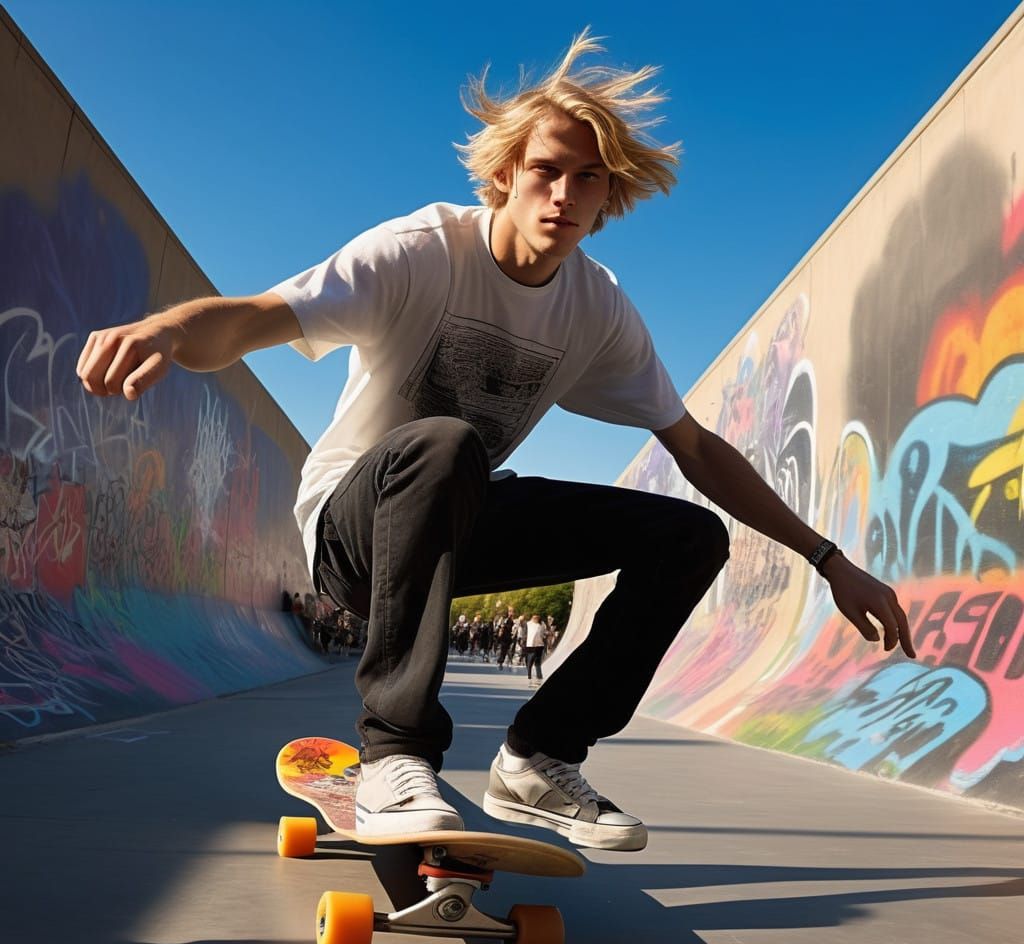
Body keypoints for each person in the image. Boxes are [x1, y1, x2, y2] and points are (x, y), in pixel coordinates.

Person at [76, 29, 914, 852]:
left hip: (454, 524)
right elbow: (260, 316)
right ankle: (395, 754)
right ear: (508, 175)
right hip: (349, 533)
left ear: (608, 197)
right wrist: (166, 328)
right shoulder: (420, 252)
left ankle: (540, 756)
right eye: (546, 171)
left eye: (587, 180)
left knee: (688, 535)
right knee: (445, 444)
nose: (563, 197)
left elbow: (695, 448)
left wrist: (829, 559)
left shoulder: (597, 307)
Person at [524, 613, 548, 684]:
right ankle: (529, 675)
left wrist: (546, 635)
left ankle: (539, 676)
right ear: (532, 618)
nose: (536, 619)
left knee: (537, 661)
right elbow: (524, 631)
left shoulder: (542, 624)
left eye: (537, 618)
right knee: (529, 661)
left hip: (539, 645)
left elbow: (544, 632)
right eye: (534, 618)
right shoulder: (528, 624)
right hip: (530, 645)